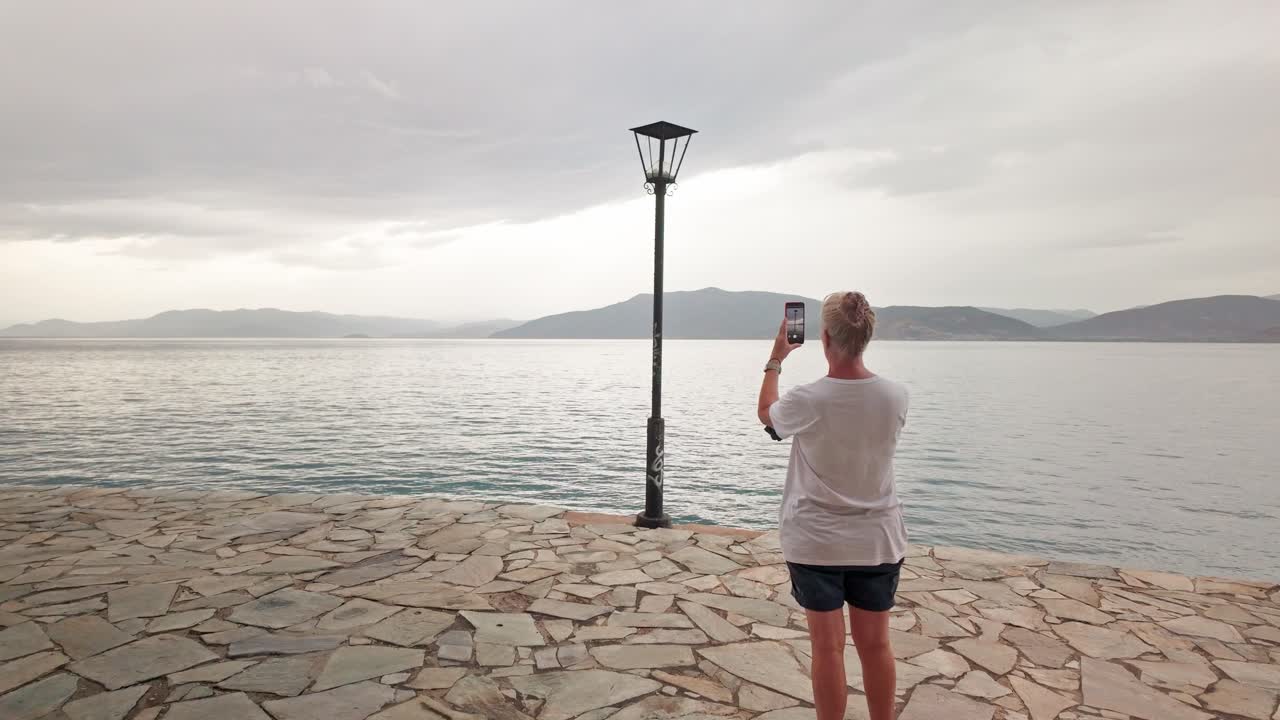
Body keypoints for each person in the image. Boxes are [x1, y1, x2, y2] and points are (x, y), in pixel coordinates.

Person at [756, 291, 909, 720]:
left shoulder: (810, 399)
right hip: (877, 540)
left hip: (816, 542)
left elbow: (767, 413)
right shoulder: (896, 396)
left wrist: (776, 358)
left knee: (828, 648)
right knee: (876, 645)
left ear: (824, 337)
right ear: (867, 336)